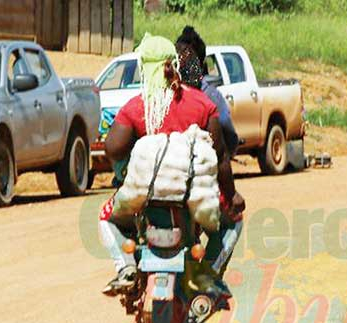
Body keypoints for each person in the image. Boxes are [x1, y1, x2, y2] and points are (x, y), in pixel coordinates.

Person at [99, 33, 245, 296]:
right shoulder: (203, 104)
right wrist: (231, 195)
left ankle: (126, 268)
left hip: (145, 200)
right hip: (192, 200)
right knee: (233, 220)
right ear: (175, 65)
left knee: (106, 218)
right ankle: (206, 274)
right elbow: (220, 156)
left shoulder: (136, 106)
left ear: (144, 68)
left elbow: (113, 148)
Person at [175, 26, 243, 295]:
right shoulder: (209, 98)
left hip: (160, 181)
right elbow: (227, 141)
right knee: (232, 220)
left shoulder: (161, 93)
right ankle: (207, 276)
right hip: (202, 181)